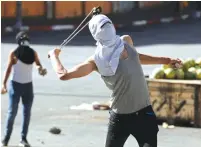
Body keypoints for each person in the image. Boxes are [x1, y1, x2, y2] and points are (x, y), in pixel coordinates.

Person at [48, 14, 182, 147]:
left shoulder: (125, 41)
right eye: (103, 27)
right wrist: (54, 56)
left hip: (144, 114)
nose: (107, 29)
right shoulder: (95, 61)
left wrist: (166, 60)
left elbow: (137, 57)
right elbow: (63, 75)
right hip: (120, 118)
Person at [1, 31, 47, 147]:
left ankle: (23, 139)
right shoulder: (14, 53)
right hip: (15, 85)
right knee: (12, 113)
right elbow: (8, 70)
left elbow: (38, 66)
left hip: (28, 86)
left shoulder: (33, 53)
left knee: (27, 113)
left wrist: (41, 70)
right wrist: (4, 84)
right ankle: (5, 140)